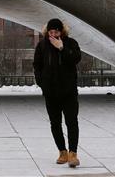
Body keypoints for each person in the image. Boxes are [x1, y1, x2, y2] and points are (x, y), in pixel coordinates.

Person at [33, 18, 81, 167]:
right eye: (51, 32)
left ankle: (73, 154)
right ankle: (62, 152)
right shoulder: (42, 46)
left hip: (69, 92)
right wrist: (43, 84)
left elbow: (75, 59)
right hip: (51, 92)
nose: (53, 34)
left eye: (56, 32)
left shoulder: (70, 43)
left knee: (71, 121)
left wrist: (61, 48)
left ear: (62, 31)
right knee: (55, 123)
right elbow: (37, 66)